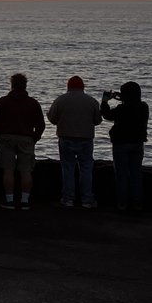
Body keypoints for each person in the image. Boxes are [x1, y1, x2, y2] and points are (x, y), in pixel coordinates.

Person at [0, 73, 46, 210]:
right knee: (26, 171)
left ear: (12, 85)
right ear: (25, 85)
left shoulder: (3, 101)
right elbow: (41, 124)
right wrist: (34, 138)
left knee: (8, 170)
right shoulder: (33, 103)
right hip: (26, 138)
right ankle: (25, 200)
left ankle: (9, 200)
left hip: (6, 137)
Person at [47, 76, 103, 209]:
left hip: (65, 138)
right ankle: (87, 200)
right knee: (86, 169)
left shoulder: (61, 100)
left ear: (68, 86)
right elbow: (98, 120)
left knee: (68, 169)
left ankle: (68, 199)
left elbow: (53, 119)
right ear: (83, 87)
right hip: (86, 139)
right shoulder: (92, 101)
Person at [101, 83, 149, 212]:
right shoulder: (144, 107)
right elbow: (132, 102)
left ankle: (122, 203)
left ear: (126, 95)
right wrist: (121, 97)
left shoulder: (122, 109)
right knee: (136, 174)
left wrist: (105, 101)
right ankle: (137, 203)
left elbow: (106, 115)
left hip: (121, 144)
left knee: (121, 175)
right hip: (138, 144)